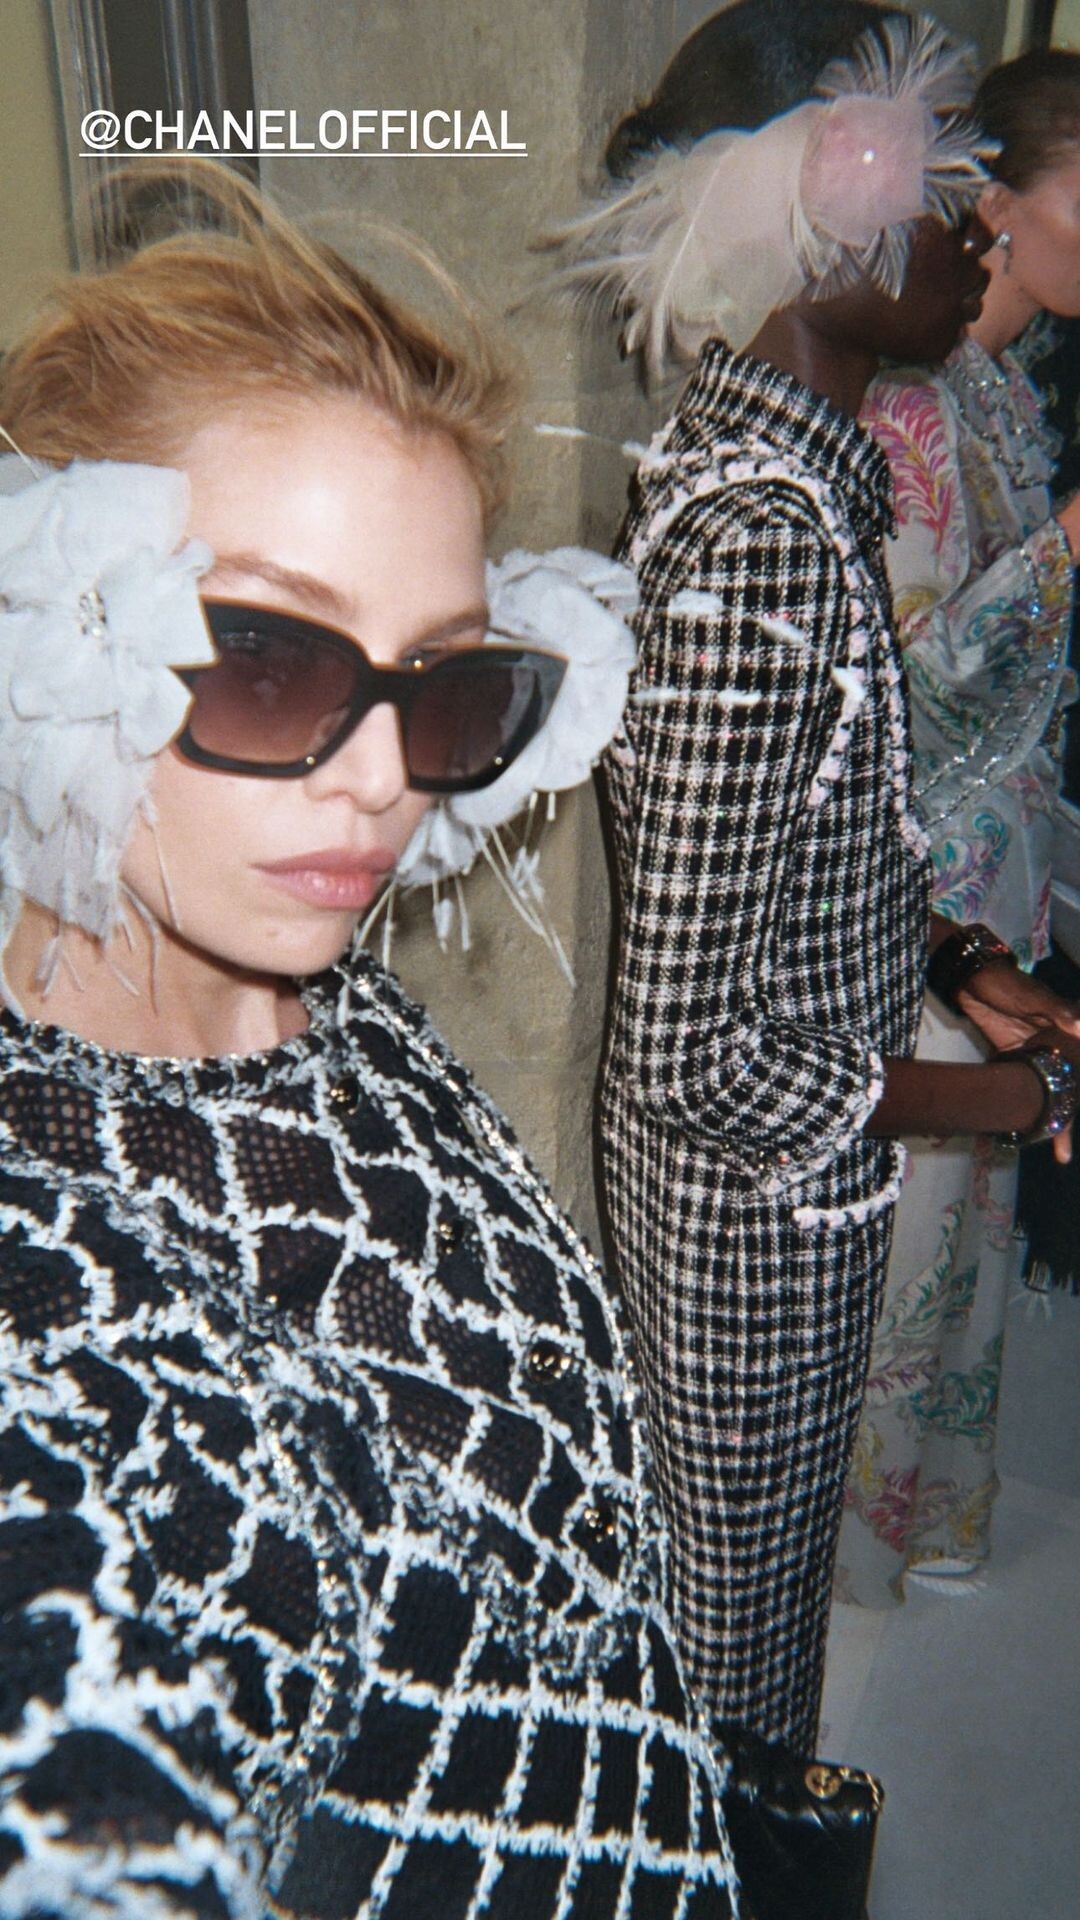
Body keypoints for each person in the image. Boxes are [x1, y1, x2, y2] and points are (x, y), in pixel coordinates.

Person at [0, 163, 741, 1920]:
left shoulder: (306, 981)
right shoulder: (48, 1299)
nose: (383, 780)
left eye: (447, 683)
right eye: (263, 661)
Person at [550, 0, 1080, 1756]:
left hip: (796, 1193)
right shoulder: (762, 540)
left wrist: (947, 954)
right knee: (741, 1670)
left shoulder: (798, 485)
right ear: (836, 230)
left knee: (762, 1632)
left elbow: (800, 844)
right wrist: (1000, 1101)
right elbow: (690, 1052)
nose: (980, 226)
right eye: (945, 193)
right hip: (750, 1230)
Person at [838, 48, 1080, 1603]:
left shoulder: (1000, 385)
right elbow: (916, 680)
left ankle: (929, 1516)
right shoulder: (907, 400)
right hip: (919, 869)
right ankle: (846, 1563)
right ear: (993, 200)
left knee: (979, 1190)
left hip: (1003, 857)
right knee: (917, 1215)